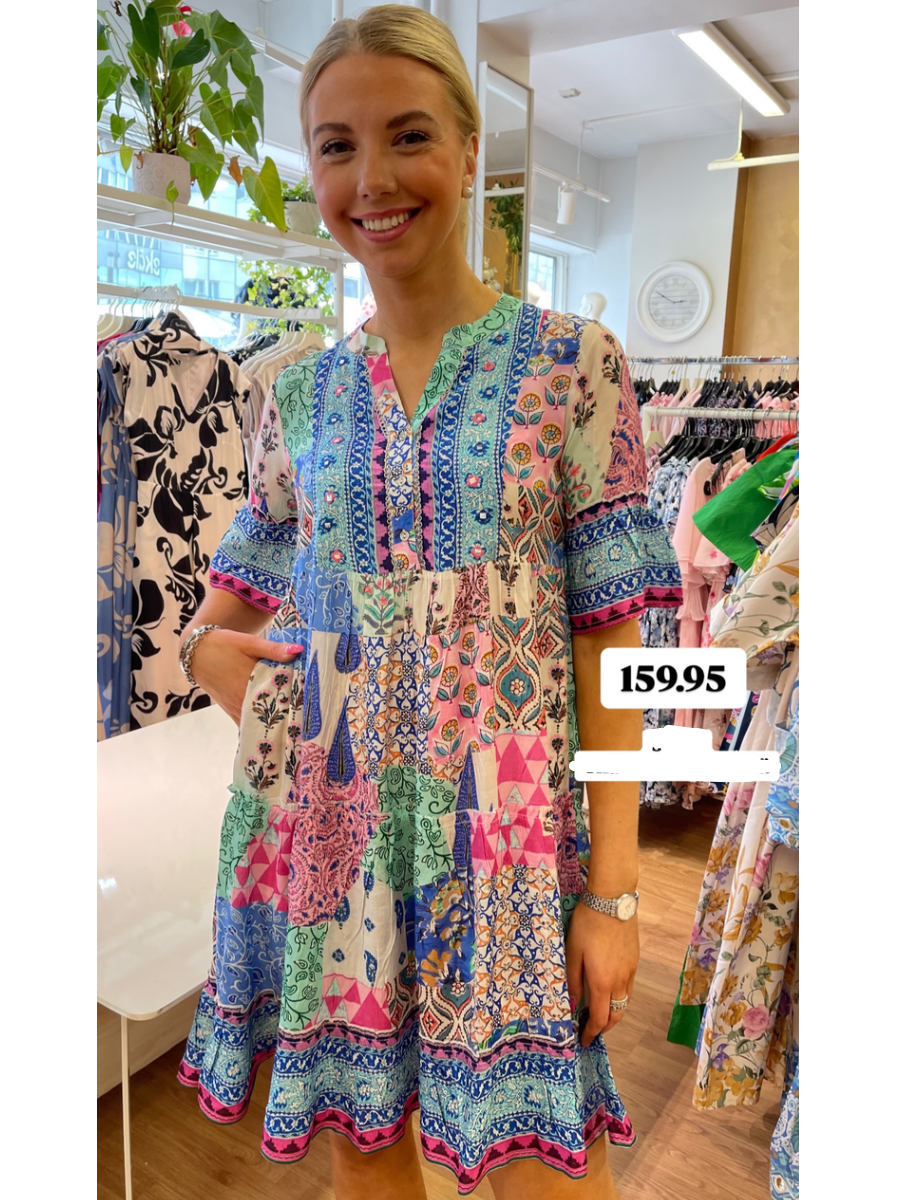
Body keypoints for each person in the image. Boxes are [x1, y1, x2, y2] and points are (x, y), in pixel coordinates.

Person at [176, 6, 681, 1198]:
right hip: (337, 841)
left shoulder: (575, 366)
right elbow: (220, 613)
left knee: (551, 1171)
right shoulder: (299, 397)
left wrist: (615, 894)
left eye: (407, 135)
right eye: (336, 146)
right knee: (367, 1162)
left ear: (467, 148)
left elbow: (614, 645)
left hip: (512, 846)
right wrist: (224, 668)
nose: (372, 179)